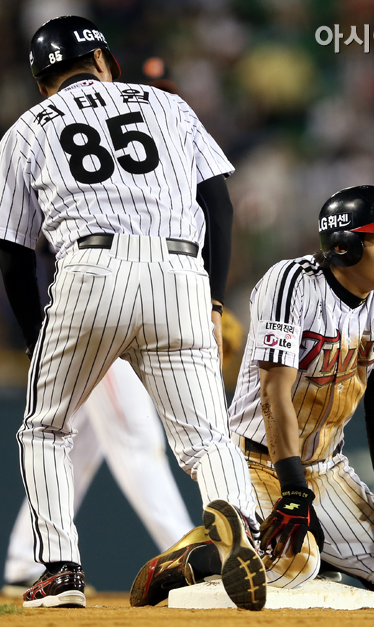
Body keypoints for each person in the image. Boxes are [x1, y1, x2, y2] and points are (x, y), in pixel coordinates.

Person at [0, 15, 266, 611]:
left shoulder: (23, 131)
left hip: (90, 272)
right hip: (180, 274)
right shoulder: (169, 106)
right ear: (106, 63)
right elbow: (219, 207)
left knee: (46, 428)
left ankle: (60, 570)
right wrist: (214, 296)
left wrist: (34, 338)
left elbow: (14, 253)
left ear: (44, 82)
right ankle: (239, 534)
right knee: (207, 438)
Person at [129, 185, 374, 610]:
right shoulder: (292, 283)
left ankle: (318, 560)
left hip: (327, 467)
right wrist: (295, 491)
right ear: (345, 245)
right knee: (293, 567)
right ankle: (194, 558)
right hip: (257, 461)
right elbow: (273, 393)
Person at [2, 358, 194, 596]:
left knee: (77, 443)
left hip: (91, 332)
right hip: (111, 334)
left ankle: (27, 559)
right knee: (136, 442)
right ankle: (188, 557)